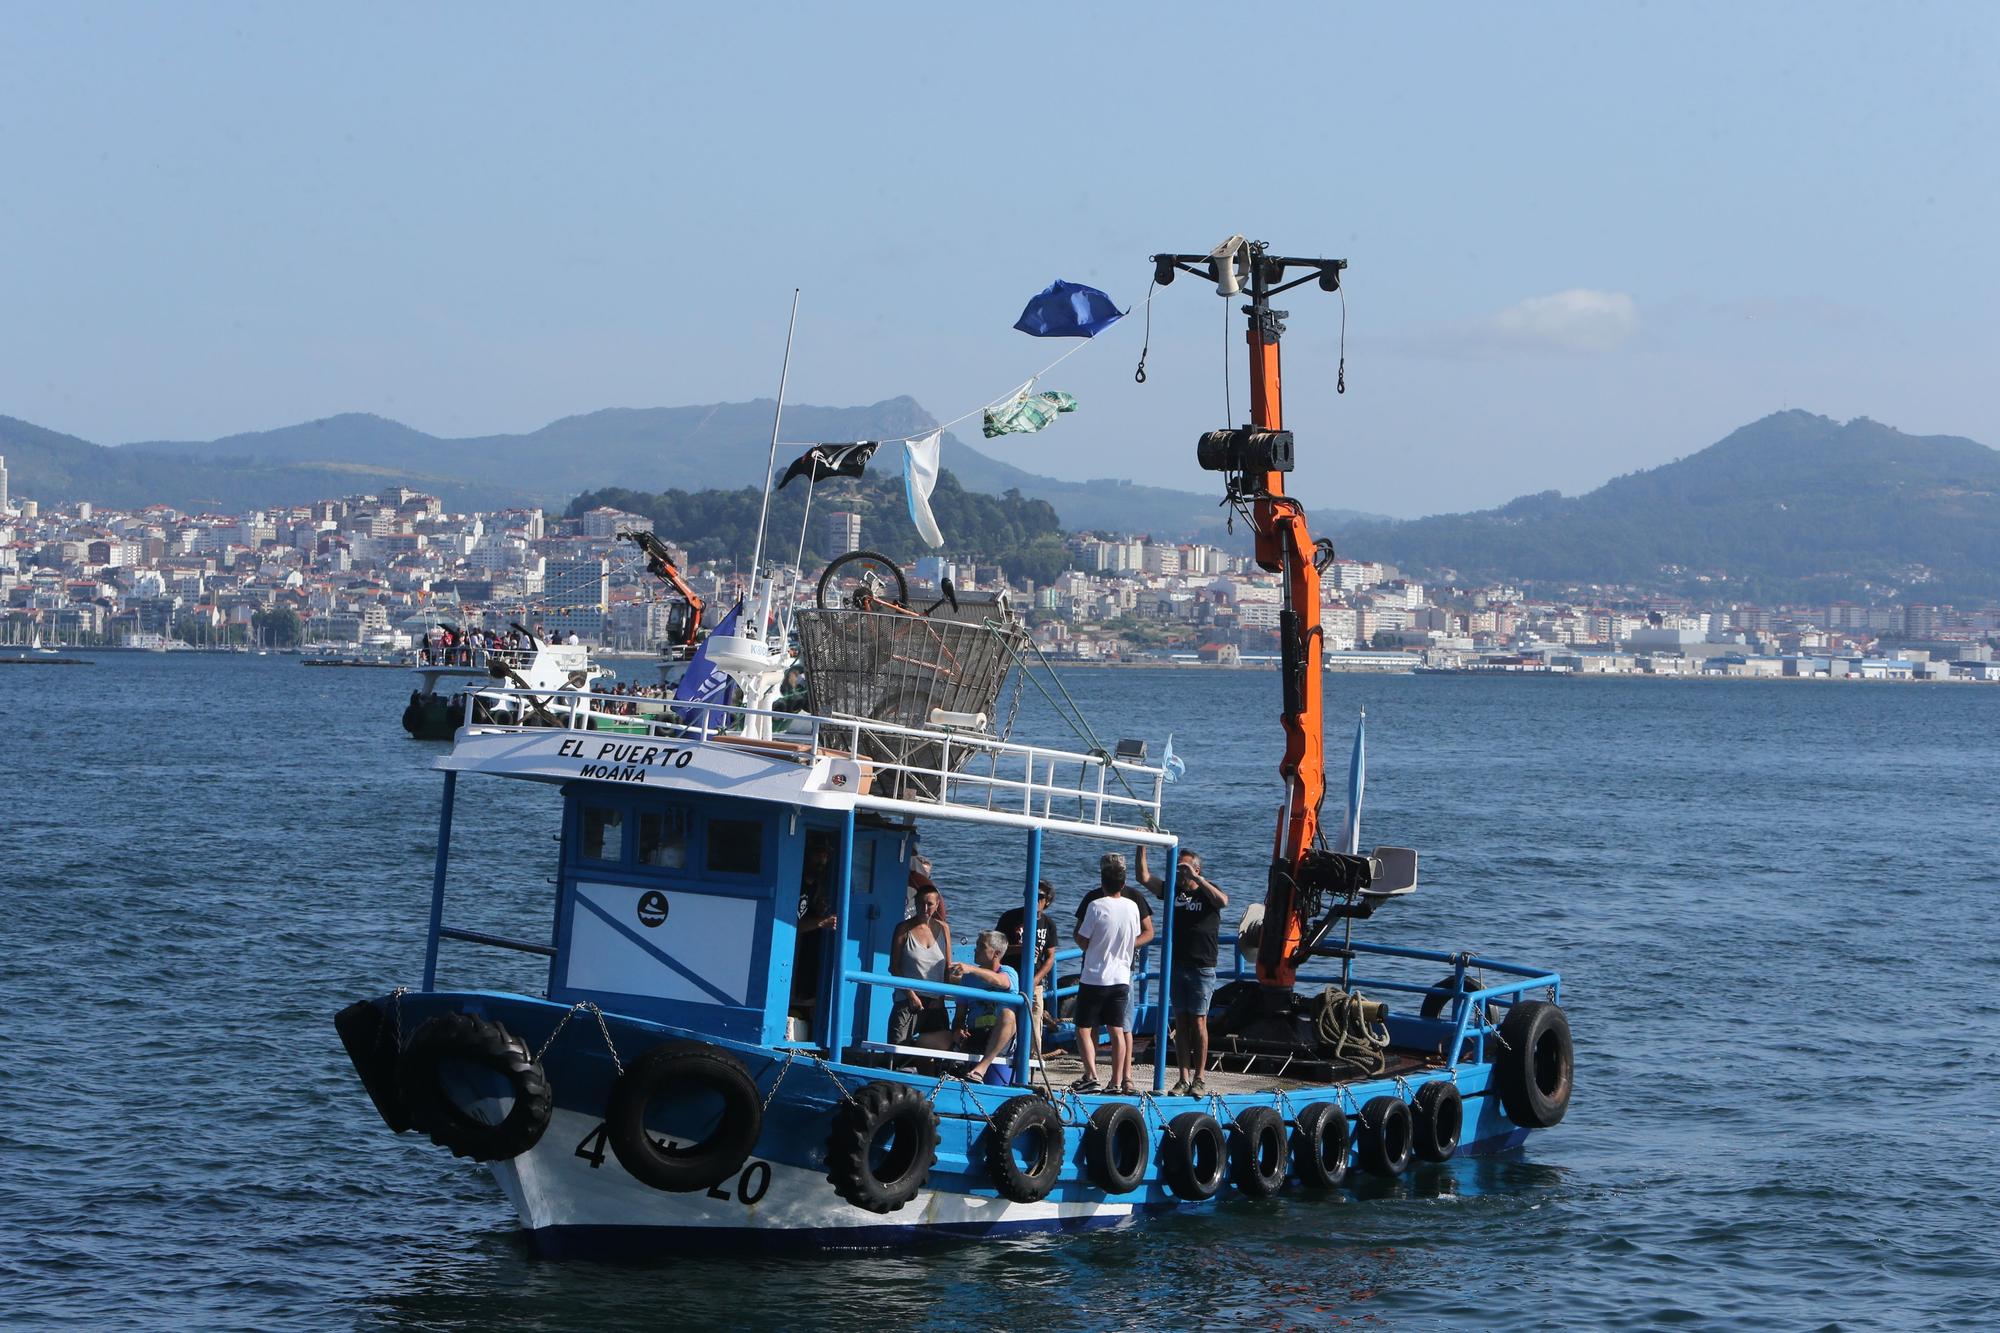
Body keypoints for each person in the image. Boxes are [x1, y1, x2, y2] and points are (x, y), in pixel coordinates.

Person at [1139, 845, 1229, 1096]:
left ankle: (1200, 1078)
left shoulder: (1209, 892)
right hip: (1177, 965)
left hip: (1202, 966)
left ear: (1197, 869)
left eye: (1185, 868)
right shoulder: (1173, 891)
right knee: (1181, 1020)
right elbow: (1143, 877)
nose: (1181, 873)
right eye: (1178, 868)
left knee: (1199, 1021)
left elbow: (1223, 902)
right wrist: (1142, 846)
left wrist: (1197, 877)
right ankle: (1183, 1078)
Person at [1072, 854, 1149, 1096]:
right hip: (1121, 976)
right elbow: (1137, 934)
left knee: (1084, 1028)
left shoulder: (1096, 905)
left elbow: (1082, 938)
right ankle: (1117, 1080)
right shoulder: (1132, 906)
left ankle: (1092, 1075)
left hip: (1096, 975)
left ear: (1102, 882)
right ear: (1123, 884)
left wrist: (1092, 945)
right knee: (1117, 1029)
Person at [1075, 853, 1153, 1040]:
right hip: (1095, 969)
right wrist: (1097, 948)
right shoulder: (1092, 899)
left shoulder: (1134, 897)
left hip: (1124, 969)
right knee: (1092, 1024)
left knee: (1123, 1025)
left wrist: (1127, 945)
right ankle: (1091, 1067)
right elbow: (1079, 932)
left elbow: (1149, 931)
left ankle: (1125, 1070)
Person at [946, 931, 1020, 1085]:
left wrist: (971, 969)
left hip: (1000, 1037)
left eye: (981, 946)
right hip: (974, 1035)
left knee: (1008, 1015)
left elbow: (1001, 982)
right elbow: (960, 1014)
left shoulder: (1008, 972)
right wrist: (958, 1029)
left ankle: (982, 1068)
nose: (975, 949)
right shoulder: (968, 979)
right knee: (928, 1040)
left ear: (996, 953)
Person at [995, 881, 1058, 1055]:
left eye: (1040, 897)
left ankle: (1031, 1059)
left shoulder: (1048, 924)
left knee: (1034, 1020)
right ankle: (1003, 1054)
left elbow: (1050, 956)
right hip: (1010, 977)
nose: (1035, 900)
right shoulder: (1010, 918)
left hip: (1034, 981)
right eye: (1032, 895)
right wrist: (1020, 949)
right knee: (1007, 1017)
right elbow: (996, 948)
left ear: (1047, 901)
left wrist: (1036, 978)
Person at [888, 884, 952, 1044]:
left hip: (935, 1002)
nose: (924, 908)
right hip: (908, 1000)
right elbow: (894, 967)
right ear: (915, 903)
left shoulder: (944, 928)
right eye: (920, 903)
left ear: (937, 904)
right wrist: (911, 996)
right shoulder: (903, 929)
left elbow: (947, 967)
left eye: (929, 904)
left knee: (935, 1054)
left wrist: (941, 998)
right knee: (898, 1050)